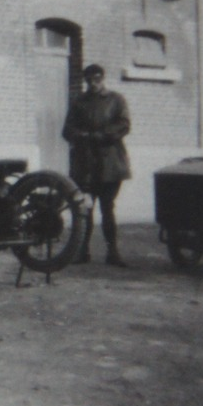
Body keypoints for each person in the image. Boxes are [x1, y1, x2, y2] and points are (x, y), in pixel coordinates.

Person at [62, 63, 133, 266]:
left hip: (110, 162)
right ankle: (83, 251)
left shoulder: (116, 100)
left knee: (108, 207)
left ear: (103, 79)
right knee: (85, 209)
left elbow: (124, 124)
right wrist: (82, 136)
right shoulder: (79, 102)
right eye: (89, 80)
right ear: (85, 81)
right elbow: (67, 130)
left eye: (97, 79)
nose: (93, 84)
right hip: (85, 164)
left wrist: (103, 135)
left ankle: (113, 252)